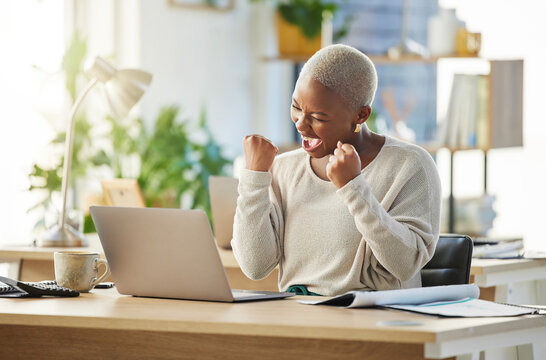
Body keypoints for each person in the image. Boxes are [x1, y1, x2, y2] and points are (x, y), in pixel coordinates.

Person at [231, 44, 441, 296]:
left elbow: (405, 265)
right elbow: (255, 267)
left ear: (361, 115)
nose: (300, 124)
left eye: (318, 117)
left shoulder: (409, 165)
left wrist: (353, 187)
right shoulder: (285, 168)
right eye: (296, 107)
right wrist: (254, 178)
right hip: (298, 315)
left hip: (372, 317)